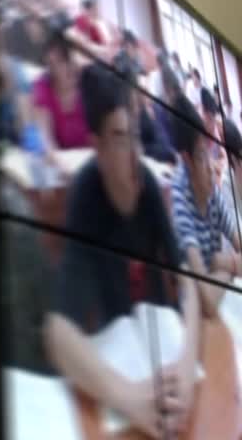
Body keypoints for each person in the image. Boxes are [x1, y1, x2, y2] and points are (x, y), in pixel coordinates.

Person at [45, 63, 200, 438]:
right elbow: (58, 333)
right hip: (120, 350)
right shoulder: (85, 195)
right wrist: (128, 396)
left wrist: (187, 362)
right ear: (97, 147)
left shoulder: (148, 185)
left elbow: (188, 280)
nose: (134, 154)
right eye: (118, 138)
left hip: (163, 345)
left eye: (134, 136)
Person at [170, 96, 242, 318]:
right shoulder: (179, 203)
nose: (212, 168)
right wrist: (230, 266)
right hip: (195, 315)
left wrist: (221, 263)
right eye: (202, 156)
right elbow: (205, 301)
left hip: (221, 296)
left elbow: (238, 241)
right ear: (187, 160)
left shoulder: (210, 188)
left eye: (209, 152)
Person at [32, 33, 90, 149]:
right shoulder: (43, 87)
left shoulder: (91, 81)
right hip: (62, 157)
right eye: (59, 61)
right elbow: (46, 140)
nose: (70, 66)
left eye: (68, 58)